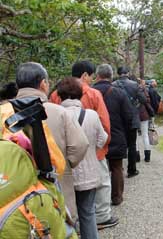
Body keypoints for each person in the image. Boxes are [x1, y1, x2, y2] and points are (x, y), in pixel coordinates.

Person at [15, 62, 89, 221]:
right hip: (55, 186)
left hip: (13, 199)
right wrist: (66, 164)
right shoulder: (58, 112)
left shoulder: (3, 113)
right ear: (43, 84)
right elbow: (80, 145)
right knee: (59, 225)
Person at [49, 60, 116, 229]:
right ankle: (102, 217)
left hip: (61, 158)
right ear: (85, 75)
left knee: (66, 201)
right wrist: (99, 148)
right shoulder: (93, 94)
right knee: (98, 190)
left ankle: (73, 227)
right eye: (91, 76)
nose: (92, 79)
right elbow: (105, 126)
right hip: (91, 153)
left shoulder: (55, 96)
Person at [57, 77, 108, 239]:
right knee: (88, 213)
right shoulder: (91, 115)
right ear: (80, 94)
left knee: (66, 217)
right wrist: (91, 150)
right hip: (89, 173)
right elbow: (103, 138)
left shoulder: (55, 115)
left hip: (65, 176)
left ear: (60, 95)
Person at [93, 64, 134, 207]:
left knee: (96, 166)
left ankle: (97, 200)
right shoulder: (119, 93)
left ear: (97, 76)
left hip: (95, 137)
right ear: (111, 77)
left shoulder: (89, 93)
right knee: (117, 167)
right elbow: (129, 116)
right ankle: (116, 197)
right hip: (116, 134)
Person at [113, 66, 147, 178]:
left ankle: (117, 169)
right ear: (128, 73)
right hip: (132, 118)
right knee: (132, 145)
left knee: (118, 143)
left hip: (118, 119)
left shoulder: (113, 85)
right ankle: (132, 170)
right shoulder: (134, 85)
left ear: (118, 73)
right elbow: (143, 100)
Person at [137, 78, 154, 162]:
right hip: (144, 114)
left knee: (135, 137)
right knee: (145, 135)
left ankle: (136, 157)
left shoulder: (131, 89)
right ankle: (147, 157)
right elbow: (148, 101)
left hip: (134, 115)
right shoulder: (144, 90)